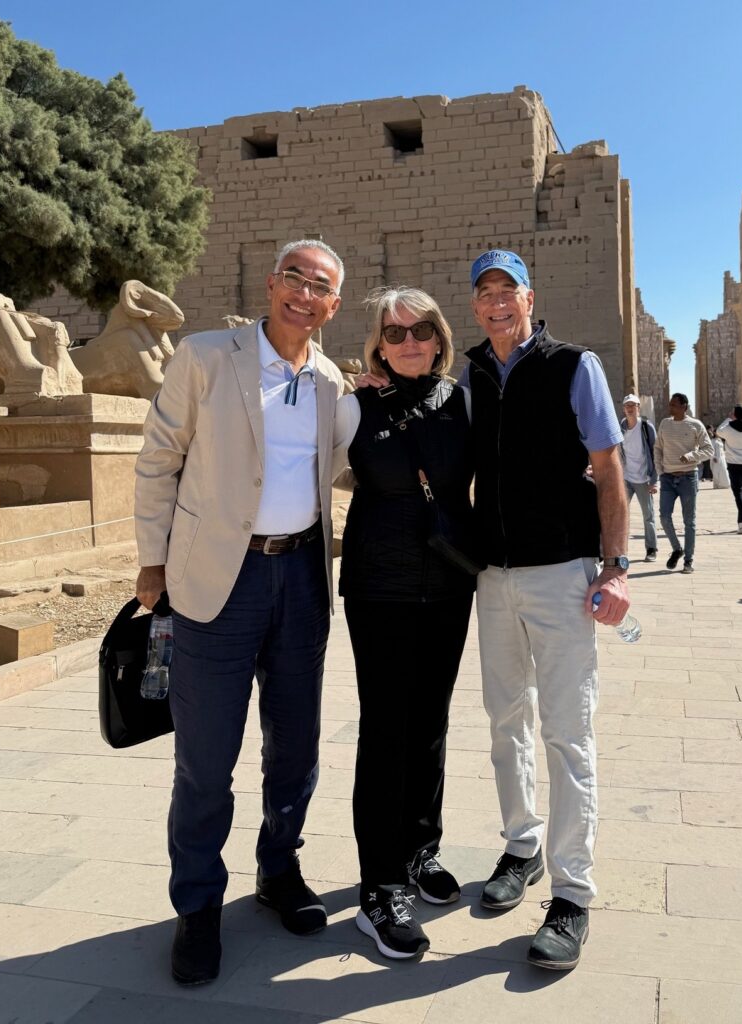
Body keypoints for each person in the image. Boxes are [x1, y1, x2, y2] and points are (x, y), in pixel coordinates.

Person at [134, 239, 347, 985]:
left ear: (333, 306)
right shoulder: (205, 356)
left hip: (301, 580)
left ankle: (277, 870)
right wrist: (153, 559)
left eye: (319, 286)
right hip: (215, 582)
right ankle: (196, 907)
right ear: (271, 283)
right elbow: (159, 456)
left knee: (295, 750)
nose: (303, 293)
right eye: (293, 277)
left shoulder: (329, 382)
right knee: (205, 761)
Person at [461, 249, 630, 971]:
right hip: (493, 577)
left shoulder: (572, 364)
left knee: (566, 731)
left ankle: (571, 893)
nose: (497, 303)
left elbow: (609, 466)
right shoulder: (469, 373)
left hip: (561, 572)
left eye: (508, 291)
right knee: (505, 722)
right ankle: (520, 847)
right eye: (485, 293)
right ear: (474, 306)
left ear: (529, 298)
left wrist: (616, 566)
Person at [333, 287, 476, 960]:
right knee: (387, 730)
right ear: (378, 346)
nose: (409, 340)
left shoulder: (464, 403)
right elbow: (308, 475)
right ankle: (378, 887)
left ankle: (420, 850)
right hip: (379, 587)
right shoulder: (355, 406)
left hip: (448, 584)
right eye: (394, 333)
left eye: (420, 329)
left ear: (440, 336)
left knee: (431, 726)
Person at [654, 394, 713, 574]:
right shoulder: (665, 423)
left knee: (689, 521)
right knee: (664, 517)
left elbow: (709, 450)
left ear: (684, 407)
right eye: (670, 404)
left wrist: (690, 457)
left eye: (674, 405)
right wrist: (660, 471)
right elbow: (658, 448)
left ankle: (688, 560)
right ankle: (677, 548)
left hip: (688, 477)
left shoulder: (696, 425)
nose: (670, 408)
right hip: (668, 478)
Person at [619, 394, 658, 561]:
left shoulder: (646, 427)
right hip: (626, 478)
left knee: (648, 515)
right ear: (623, 408)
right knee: (619, 514)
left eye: (633, 405)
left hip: (643, 478)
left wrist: (654, 480)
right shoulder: (621, 426)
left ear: (638, 408)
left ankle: (651, 549)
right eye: (627, 405)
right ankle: (619, 550)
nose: (629, 408)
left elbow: (656, 453)